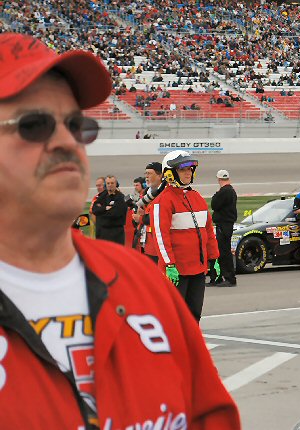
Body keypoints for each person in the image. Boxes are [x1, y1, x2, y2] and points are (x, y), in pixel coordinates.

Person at [0, 32, 239, 428]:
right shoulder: (155, 236)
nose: (66, 141)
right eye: (34, 125)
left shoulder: (141, 282)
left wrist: (211, 257)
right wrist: (171, 261)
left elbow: (210, 416)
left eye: (75, 124)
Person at [153, 150, 220, 321]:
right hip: (176, 271)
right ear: (170, 173)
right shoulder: (163, 201)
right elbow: (160, 237)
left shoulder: (197, 197)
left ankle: (192, 339)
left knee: (194, 314)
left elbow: (208, 231)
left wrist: (214, 258)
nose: (188, 173)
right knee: (174, 316)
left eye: (190, 169)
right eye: (182, 169)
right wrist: (169, 264)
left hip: (197, 269)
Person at [210, 169, 238, 287]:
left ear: (219, 179)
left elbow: (214, 204)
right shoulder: (231, 190)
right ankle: (222, 276)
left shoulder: (224, 191)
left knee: (224, 252)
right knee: (223, 251)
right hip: (227, 224)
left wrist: (216, 194)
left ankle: (229, 278)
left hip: (223, 224)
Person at [92, 175, 127, 244]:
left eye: (112, 183)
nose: (110, 185)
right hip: (102, 235)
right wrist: (105, 208)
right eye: (108, 183)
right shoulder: (102, 196)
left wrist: (101, 212)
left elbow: (114, 214)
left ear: (116, 184)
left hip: (115, 236)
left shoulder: (121, 197)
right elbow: (94, 209)